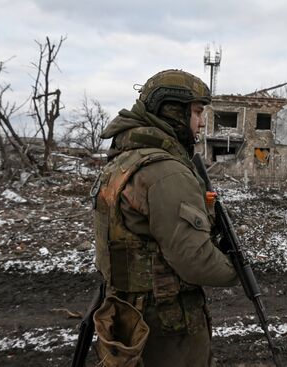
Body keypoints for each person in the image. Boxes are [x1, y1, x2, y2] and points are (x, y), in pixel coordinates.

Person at [91, 69, 238, 367]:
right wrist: (237, 270)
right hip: (166, 325)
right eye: (197, 112)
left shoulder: (124, 160)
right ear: (172, 110)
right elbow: (194, 260)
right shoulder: (166, 172)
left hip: (127, 311)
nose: (200, 122)